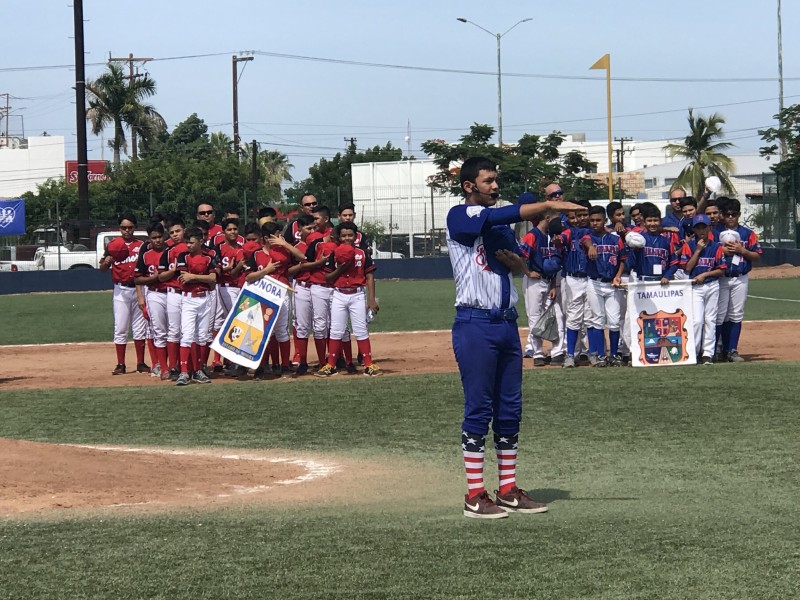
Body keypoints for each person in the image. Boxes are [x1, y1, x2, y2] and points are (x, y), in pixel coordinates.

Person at [447, 156, 581, 520]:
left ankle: (507, 489)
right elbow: (494, 218)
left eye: (495, 180)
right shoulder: (459, 215)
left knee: (510, 410)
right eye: (488, 181)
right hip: (474, 323)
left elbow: (518, 260)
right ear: (469, 186)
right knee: (478, 409)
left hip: (506, 324)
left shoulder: (500, 225)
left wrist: (519, 265)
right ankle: (475, 495)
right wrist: (547, 205)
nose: (494, 186)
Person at [315, 221, 381, 377]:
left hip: (357, 294)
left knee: (360, 329)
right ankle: (330, 365)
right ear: (338, 237)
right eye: (343, 235)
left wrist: (371, 300)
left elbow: (370, 276)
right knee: (336, 330)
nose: (347, 238)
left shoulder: (362, 254)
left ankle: (368, 364)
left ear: (355, 236)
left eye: (350, 235)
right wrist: (341, 267)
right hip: (338, 294)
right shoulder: (335, 253)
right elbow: (328, 278)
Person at [99, 212, 148, 375]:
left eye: (130, 227)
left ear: (135, 227)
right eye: (123, 227)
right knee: (120, 327)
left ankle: (141, 363)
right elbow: (103, 269)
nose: (126, 230)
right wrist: (106, 262)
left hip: (139, 289)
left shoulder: (141, 245)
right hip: (121, 290)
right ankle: (121, 364)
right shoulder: (113, 245)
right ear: (119, 228)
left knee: (140, 328)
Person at [716, 198, 762, 362]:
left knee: (736, 314)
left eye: (733, 214)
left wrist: (742, 250)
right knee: (720, 315)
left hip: (740, 277)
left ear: (739, 215)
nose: (730, 217)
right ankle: (716, 349)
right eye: (727, 214)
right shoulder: (715, 232)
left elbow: (757, 256)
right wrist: (721, 250)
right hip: (721, 278)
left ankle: (732, 349)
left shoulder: (747, 233)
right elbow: (709, 252)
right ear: (722, 215)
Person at [518, 209, 565, 367]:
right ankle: (538, 353)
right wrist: (527, 272)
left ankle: (557, 352)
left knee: (557, 315)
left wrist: (553, 285)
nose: (559, 222)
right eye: (556, 219)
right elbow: (520, 255)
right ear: (547, 218)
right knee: (535, 317)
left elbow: (553, 263)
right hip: (534, 281)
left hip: (547, 281)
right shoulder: (533, 235)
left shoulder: (552, 237)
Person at [680, 214, 727, 364]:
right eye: (698, 228)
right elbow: (687, 267)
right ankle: (694, 351)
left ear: (709, 228)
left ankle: (708, 353)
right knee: (696, 320)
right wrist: (698, 250)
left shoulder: (716, 246)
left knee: (710, 320)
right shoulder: (689, 245)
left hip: (712, 285)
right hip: (695, 286)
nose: (701, 230)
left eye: (704, 227)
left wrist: (705, 274)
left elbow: (722, 270)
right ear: (694, 229)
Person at [583, 205, 627, 367]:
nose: (595, 223)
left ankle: (614, 355)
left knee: (615, 321)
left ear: (605, 220)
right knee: (598, 320)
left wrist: (618, 275)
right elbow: (585, 240)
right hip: (594, 283)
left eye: (598, 220)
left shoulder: (615, 239)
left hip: (612, 283)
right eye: (592, 220)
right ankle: (601, 355)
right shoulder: (587, 237)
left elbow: (623, 259)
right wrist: (591, 246)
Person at [174, 227, 218, 385]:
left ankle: (198, 370)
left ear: (201, 241)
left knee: (201, 337)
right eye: (187, 242)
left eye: (192, 242)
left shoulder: (209, 256)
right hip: (189, 299)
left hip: (205, 298)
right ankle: (184, 372)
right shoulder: (183, 256)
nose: (188, 245)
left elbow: (213, 278)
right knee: (187, 335)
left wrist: (194, 276)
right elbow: (183, 278)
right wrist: (201, 278)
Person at [133, 222, 170, 379]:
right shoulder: (146, 255)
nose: (157, 240)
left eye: (160, 237)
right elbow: (137, 278)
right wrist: (153, 278)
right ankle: (162, 366)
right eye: (154, 237)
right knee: (159, 331)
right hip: (154, 293)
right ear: (149, 239)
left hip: (172, 293)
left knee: (175, 332)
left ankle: (174, 365)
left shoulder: (170, 252)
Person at [626, 202, 681, 284]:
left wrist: (667, 276)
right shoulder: (638, 239)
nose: (652, 224)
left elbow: (675, 263)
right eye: (649, 221)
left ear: (660, 221)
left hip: (662, 281)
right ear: (644, 222)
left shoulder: (666, 240)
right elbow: (630, 263)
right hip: (643, 281)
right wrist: (633, 249)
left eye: (655, 220)